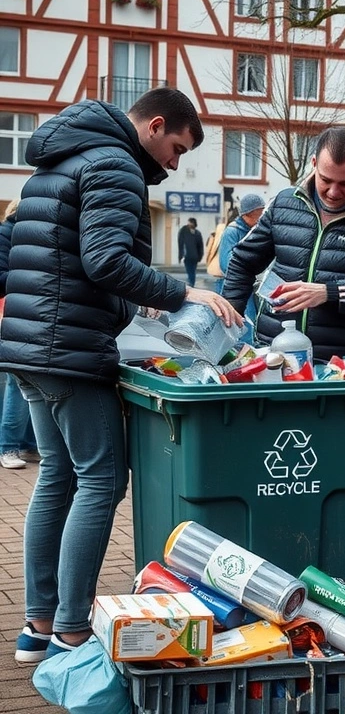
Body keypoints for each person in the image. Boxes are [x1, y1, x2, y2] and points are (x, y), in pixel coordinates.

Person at [0, 88, 239, 663]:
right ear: (154, 126)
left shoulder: (60, 158)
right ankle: (72, 629)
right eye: (177, 148)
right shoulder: (116, 164)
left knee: (57, 477)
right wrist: (183, 291)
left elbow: (21, 250)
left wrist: (137, 305)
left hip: (32, 348)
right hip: (70, 351)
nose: (175, 164)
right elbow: (104, 260)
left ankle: (38, 626)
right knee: (101, 482)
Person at [222, 126, 345, 361]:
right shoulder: (283, 203)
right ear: (313, 163)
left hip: (343, 362)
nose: (333, 192)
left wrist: (328, 293)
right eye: (326, 180)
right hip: (274, 353)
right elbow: (242, 261)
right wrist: (229, 322)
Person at [0, 199, 38, 471]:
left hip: (23, 314)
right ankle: (8, 447)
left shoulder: (25, 236)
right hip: (13, 316)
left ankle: (26, 444)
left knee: (28, 382)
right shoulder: (10, 235)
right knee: (18, 381)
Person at [177, 217, 203, 286]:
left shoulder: (196, 233)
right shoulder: (186, 231)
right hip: (189, 256)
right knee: (191, 272)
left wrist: (200, 256)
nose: (188, 224)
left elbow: (200, 246)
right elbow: (180, 244)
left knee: (191, 272)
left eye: (190, 222)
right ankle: (191, 284)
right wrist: (180, 256)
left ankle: (191, 284)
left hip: (192, 257)